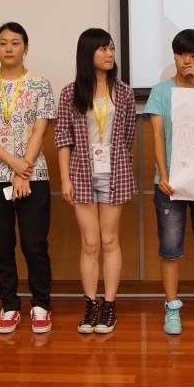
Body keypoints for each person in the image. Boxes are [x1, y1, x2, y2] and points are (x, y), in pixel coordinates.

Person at [0, 22, 56, 334]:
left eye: (15, 42)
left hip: (34, 175)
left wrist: (24, 169)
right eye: (3, 42)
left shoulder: (41, 85)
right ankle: (9, 306)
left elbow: (40, 130)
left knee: (34, 244)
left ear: (25, 48)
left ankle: (41, 305)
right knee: (1, 245)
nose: (9, 48)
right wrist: (13, 165)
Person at [55, 29, 136, 333]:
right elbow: (63, 138)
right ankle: (91, 304)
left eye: (111, 48)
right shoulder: (70, 93)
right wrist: (65, 178)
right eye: (103, 49)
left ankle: (109, 305)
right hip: (81, 175)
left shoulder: (124, 92)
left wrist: (118, 163)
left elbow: (129, 136)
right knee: (90, 243)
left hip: (115, 175)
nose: (110, 54)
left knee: (109, 241)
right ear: (87, 54)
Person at [145, 29, 194, 334]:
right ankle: (172, 308)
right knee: (170, 249)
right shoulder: (161, 91)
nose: (186, 60)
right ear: (174, 56)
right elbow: (157, 136)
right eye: (181, 54)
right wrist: (163, 175)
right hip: (170, 184)